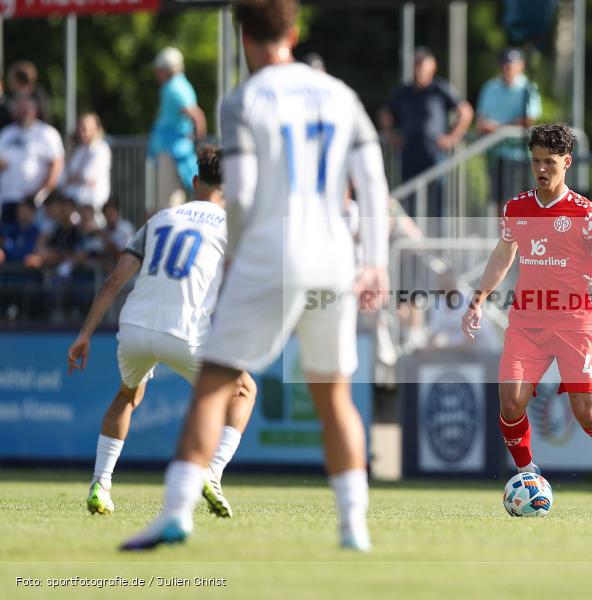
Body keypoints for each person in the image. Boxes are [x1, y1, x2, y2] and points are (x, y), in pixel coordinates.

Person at [121, 0, 389, 552]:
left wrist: (237, 254)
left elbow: (239, 194)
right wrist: (376, 261)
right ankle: (353, 527)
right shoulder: (342, 95)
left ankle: (175, 513)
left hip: (271, 249)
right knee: (334, 395)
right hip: (334, 254)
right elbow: (372, 181)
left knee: (214, 386)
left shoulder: (244, 99)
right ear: (293, 31)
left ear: (244, 37)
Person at [67, 146, 257, 519]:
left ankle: (100, 485)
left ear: (195, 181)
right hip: (184, 331)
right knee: (245, 389)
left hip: (134, 326)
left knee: (126, 395)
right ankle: (212, 472)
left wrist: (84, 334)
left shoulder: (158, 219)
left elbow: (113, 282)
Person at [460, 123, 592, 493]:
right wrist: (478, 299)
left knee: (586, 413)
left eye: (549, 162)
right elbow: (503, 255)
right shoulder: (516, 209)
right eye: (535, 161)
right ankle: (528, 473)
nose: (541, 169)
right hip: (527, 324)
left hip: (573, 324)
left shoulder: (586, 213)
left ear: (566, 162)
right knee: (510, 401)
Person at [379, 47, 473, 217]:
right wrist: (392, 136)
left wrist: (452, 137)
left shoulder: (439, 89)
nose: (419, 69)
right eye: (417, 64)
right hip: (409, 152)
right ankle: (411, 240)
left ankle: (438, 241)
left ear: (433, 67)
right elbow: (385, 114)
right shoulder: (403, 92)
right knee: (408, 199)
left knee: (438, 199)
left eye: (423, 65)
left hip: (434, 151)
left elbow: (465, 112)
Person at [476, 47, 542, 206]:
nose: (508, 68)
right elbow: (481, 120)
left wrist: (499, 128)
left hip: (521, 156)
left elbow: (529, 118)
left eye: (512, 64)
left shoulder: (528, 88)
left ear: (521, 66)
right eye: (505, 64)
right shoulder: (490, 87)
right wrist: (486, 127)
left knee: (523, 202)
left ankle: (522, 231)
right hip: (496, 155)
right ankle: (504, 232)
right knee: (500, 202)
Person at [148, 47, 207, 210]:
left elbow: (196, 114)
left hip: (173, 151)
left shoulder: (175, 88)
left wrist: (200, 143)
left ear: (167, 70)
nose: (156, 74)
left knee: (169, 204)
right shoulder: (177, 86)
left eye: (159, 70)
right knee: (173, 201)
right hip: (174, 150)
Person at [0, 95, 65, 226]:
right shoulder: (6, 133)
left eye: (26, 109)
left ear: (35, 111)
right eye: (20, 109)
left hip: (35, 203)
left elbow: (56, 166)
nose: (23, 113)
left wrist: (39, 194)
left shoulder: (47, 133)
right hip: (8, 200)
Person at [61, 113, 112, 212]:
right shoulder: (80, 149)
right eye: (79, 128)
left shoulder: (101, 149)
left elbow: (87, 175)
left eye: (84, 128)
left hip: (93, 205)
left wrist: (73, 178)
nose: (81, 132)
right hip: (75, 203)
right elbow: (66, 174)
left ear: (95, 129)